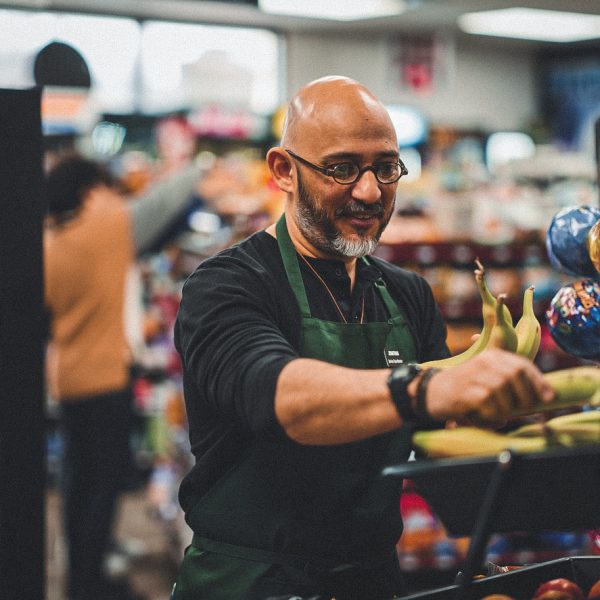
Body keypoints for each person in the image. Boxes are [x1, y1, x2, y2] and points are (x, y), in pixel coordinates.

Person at [171, 76, 555, 600]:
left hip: (372, 580)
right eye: (343, 168)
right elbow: (280, 397)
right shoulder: (225, 286)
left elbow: (441, 434)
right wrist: (423, 389)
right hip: (252, 581)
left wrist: (507, 412)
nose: (370, 191)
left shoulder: (407, 293)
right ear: (284, 170)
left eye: (386, 167)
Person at [43, 154, 209, 600]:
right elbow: (171, 198)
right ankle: (89, 584)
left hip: (69, 378)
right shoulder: (104, 228)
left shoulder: (53, 241)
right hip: (104, 379)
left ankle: (80, 576)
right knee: (101, 489)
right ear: (88, 191)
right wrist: (201, 166)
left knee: (78, 485)